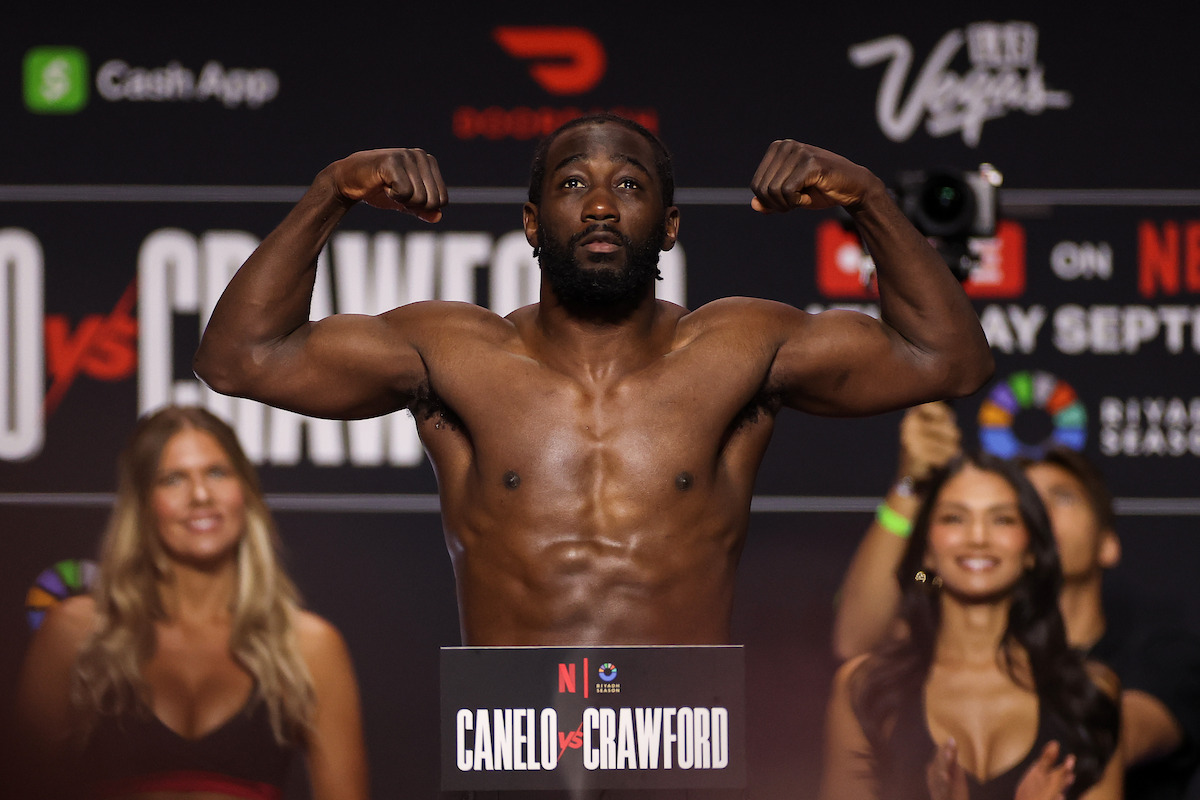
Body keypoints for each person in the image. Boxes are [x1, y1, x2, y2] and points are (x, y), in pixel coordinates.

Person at [193, 112, 994, 647]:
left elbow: (947, 359)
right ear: (534, 224)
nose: (603, 206)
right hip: (509, 754)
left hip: (683, 758)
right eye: (574, 184)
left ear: (670, 226)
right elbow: (240, 358)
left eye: (632, 186)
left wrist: (868, 198)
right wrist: (331, 191)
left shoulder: (740, 347)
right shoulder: (450, 351)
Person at [833, 402, 1200, 799]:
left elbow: (1094, 736)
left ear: (1107, 542)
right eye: (956, 517)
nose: (981, 532)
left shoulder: (1145, 660)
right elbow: (865, 634)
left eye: (1060, 498)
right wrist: (910, 486)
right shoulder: (924, 617)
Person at [12, 405, 369, 800]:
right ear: (143, 504)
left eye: (216, 473)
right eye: (173, 479)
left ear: (245, 492)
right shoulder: (75, 632)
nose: (200, 495)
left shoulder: (308, 646)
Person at [819, 452, 1122, 800]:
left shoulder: (1088, 693)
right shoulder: (866, 689)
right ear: (927, 553)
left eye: (1003, 520)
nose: (978, 536)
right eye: (954, 518)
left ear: (1032, 550)